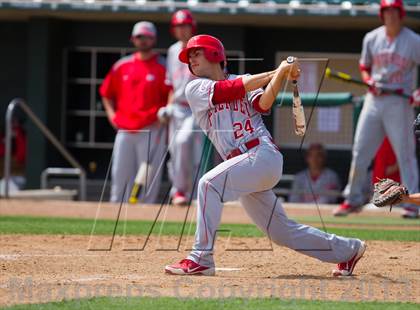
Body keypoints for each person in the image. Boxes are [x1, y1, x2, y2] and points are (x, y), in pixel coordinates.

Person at [164, 34, 366, 277]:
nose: (192, 60)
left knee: (208, 184)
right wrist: (278, 70)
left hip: (262, 154)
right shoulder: (195, 88)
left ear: (214, 54)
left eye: (196, 53)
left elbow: (263, 104)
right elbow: (228, 90)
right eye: (189, 57)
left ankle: (201, 258)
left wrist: (281, 74)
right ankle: (348, 250)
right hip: (243, 166)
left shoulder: (242, 81)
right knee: (280, 231)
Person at [333, 0, 420, 218]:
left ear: (401, 14)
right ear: (382, 15)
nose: (390, 16)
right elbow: (364, 66)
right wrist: (368, 79)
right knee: (360, 150)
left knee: (406, 155)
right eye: (387, 12)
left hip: (399, 101)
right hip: (373, 99)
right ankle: (352, 199)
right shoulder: (372, 37)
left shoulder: (413, 40)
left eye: (394, 12)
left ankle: (412, 204)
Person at [100, 21, 170, 203]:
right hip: (124, 128)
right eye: (139, 37)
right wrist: (111, 114)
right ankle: (115, 211)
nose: (143, 40)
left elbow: (172, 91)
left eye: (147, 37)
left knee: (148, 176)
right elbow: (106, 93)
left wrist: (165, 113)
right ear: (133, 39)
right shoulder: (122, 65)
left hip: (151, 127)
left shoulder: (163, 65)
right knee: (119, 173)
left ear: (153, 39)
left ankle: (144, 214)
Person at [158, 10, 202, 206]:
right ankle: (179, 191)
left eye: (185, 26)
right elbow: (170, 84)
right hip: (177, 106)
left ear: (192, 27)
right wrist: (167, 106)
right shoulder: (172, 51)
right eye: (178, 26)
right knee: (176, 150)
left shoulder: (200, 47)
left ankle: (197, 191)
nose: (181, 30)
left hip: (196, 107)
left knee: (192, 148)